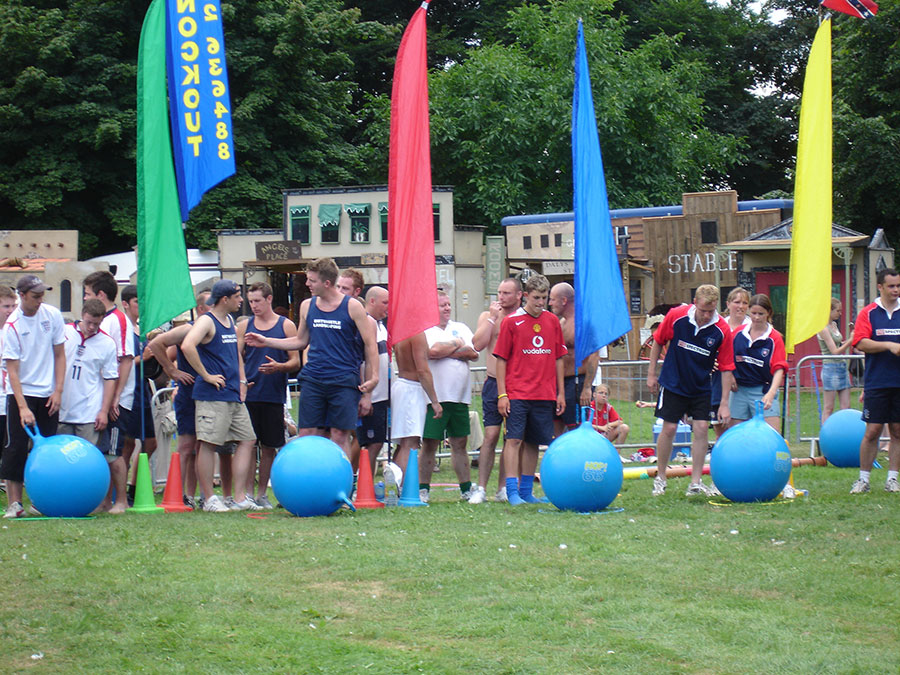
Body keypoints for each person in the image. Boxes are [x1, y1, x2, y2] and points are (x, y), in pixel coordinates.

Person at [245, 258, 377, 460]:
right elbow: (300, 341)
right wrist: (266, 341)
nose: (307, 284)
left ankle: (339, 478)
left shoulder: (352, 307)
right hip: (313, 378)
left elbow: (370, 345)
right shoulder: (307, 305)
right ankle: (310, 477)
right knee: (307, 433)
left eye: (312, 280)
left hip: (343, 380)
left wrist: (373, 380)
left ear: (327, 283)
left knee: (339, 435)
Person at [647, 284, 735, 497]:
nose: (706, 315)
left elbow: (726, 368)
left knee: (702, 428)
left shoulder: (722, 330)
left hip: (701, 386)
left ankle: (695, 482)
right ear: (695, 303)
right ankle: (661, 477)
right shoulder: (676, 316)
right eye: (703, 310)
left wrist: (724, 403)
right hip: (673, 382)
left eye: (711, 311)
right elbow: (658, 341)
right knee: (669, 428)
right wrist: (651, 374)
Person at [181, 279, 259, 512]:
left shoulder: (230, 321)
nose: (241, 300)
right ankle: (209, 499)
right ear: (225, 299)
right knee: (208, 444)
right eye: (237, 296)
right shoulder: (207, 320)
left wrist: (242, 381)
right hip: (212, 395)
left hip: (232, 394)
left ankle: (239, 497)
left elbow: (235, 355)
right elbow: (187, 345)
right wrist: (205, 375)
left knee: (248, 439)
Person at [493, 274, 566, 505]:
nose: (540, 302)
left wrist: (560, 392)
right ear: (525, 296)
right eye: (536, 297)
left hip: (544, 394)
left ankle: (526, 492)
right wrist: (502, 394)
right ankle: (511, 491)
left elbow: (559, 358)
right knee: (513, 440)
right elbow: (501, 359)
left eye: (544, 297)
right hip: (517, 393)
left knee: (534, 442)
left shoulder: (552, 321)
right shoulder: (511, 322)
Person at [1, 275, 66, 518]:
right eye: (35, 296)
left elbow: (60, 354)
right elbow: (12, 371)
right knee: (16, 448)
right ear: (22, 296)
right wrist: (22, 407)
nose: (40, 300)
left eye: (42, 296)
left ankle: (42, 501)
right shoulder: (12, 326)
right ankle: (15, 503)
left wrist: (58, 390)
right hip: (22, 393)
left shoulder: (52, 315)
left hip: (47, 393)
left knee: (47, 447)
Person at [236, 282, 300, 509]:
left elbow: (296, 361)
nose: (254, 306)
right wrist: (242, 381)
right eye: (250, 301)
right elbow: (236, 356)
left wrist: (279, 367)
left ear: (269, 299)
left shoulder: (286, 325)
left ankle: (262, 493)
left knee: (269, 446)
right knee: (248, 444)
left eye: (258, 301)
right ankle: (247, 493)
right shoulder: (244, 326)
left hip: (273, 393)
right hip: (249, 393)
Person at [148, 291, 211, 507]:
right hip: (188, 395)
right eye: (210, 304)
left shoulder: (219, 327)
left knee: (202, 446)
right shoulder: (187, 330)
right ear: (200, 309)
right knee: (186, 446)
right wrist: (172, 371)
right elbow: (157, 345)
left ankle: (196, 496)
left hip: (210, 395)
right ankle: (179, 494)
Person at [467, 278, 523, 505]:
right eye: (499, 292)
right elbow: (477, 344)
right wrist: (492, 318)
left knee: (512, 438)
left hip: (515, 383)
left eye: (507, 293)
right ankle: (481, 488)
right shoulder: (488, 316)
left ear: (519, 295)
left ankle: (504, 487)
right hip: (492, 382)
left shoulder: (522, 318)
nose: (501, 297)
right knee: (490, 436)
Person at [419, 291, 479, 502]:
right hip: (436, 397)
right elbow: (432, 351)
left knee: (460, 442)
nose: (447, 308)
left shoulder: (461, 327)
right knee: (430, 443)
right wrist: (457, 344)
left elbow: (473, 353)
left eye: (448, 304)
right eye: (442, 305)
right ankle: (423, 489)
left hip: (460, 398)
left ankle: (465, 488)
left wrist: (449, 349)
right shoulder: (426, 331)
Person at [58, 300, 119, 506]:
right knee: (62, 459)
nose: (92, 327)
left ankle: (86, 500)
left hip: (88, 410)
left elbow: (110, 378)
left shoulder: (107, 343)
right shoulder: (64, 333)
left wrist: (103, 410)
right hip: (62, 408)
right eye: (89, 322)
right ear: (82, 315)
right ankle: (61, 497)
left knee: (87, 460)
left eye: (97, 324)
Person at [83, 270, 134, 510]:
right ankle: (103, 500)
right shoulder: (100, 320)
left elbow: (126, 360)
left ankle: (120, 500)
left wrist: (116, 397)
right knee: (101, 452)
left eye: (87, 293)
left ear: (101, 294)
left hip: (117, 400)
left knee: (113, 452)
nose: (85, 298)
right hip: (101, 398)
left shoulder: (118, 320)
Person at [849, 268, 900, 494]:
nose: (896, 290)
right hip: (877, 382)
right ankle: (863, 480)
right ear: (880, 287)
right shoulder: (868, 313)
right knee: (873, 431)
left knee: (897, 431)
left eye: (898, 286)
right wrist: (888, 346)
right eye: (891, 286)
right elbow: (860, 342)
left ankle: (892, 479)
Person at [728, 294, 788, 431]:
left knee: (770, 434)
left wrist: (771, 393)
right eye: (753, 313)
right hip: (739, 391)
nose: (756, 317)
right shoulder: (738, 334)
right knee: (737, 434)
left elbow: (779, 368)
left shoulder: (774, 338)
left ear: (768, 313)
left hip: (763, 390)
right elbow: (726, 357)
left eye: (761, 314)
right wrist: (730, 375)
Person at [390, 332, 442, 479]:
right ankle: (403, 486)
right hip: (411, 389)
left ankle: (395, 484)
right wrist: (435, 401)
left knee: (402, 444)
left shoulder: (401, 333)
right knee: (410, 443)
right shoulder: (416, 334)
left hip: (403, 386)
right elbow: (422, 370)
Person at [549, 282, 598, 436]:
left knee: (577, 432)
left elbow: (594, 355)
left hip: (578, 383)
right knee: (555, 431)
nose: (550, 303)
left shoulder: (583, 323)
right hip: (560, 384)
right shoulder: (561, 323)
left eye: (552, 299)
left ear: (564, 300)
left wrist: (587, 387)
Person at [358, 286, 389, 479]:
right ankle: (362, 483)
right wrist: (365, 394)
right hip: (372, 395)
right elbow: (363, 361)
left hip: (382, 394)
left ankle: (364, 482)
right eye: (385, 302)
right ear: (372, 301)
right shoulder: (365, 324)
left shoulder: (380, 325)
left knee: (377, 441)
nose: (388, 307)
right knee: (370, 443)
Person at [712, 287, 750, 438]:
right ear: (728, 304)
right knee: (721, 429)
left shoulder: (752, 326)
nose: (741, 306)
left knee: (741, 430)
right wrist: (711, 362)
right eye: (737, 302)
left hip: (744, 382)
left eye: (744, 303)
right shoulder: (719, 325)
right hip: (719, 382)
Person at [818, 297, 853, 423]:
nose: (840, 313)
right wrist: (850, 341)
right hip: (830, 367)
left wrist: (849, 339)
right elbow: (835, 352)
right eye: (837, 311)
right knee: (829, 407)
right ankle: (825, 432)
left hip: (841, 366)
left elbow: (838, 344)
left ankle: (844, 431)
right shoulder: (823, 328)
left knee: (846, 406)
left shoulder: (834, 325)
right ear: (829, 310)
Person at [0, 285, 18, 473]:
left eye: (13, 306)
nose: (10, 311)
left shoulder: (14, 330)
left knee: (10, 448)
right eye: (6, 306)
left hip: (10, 399)